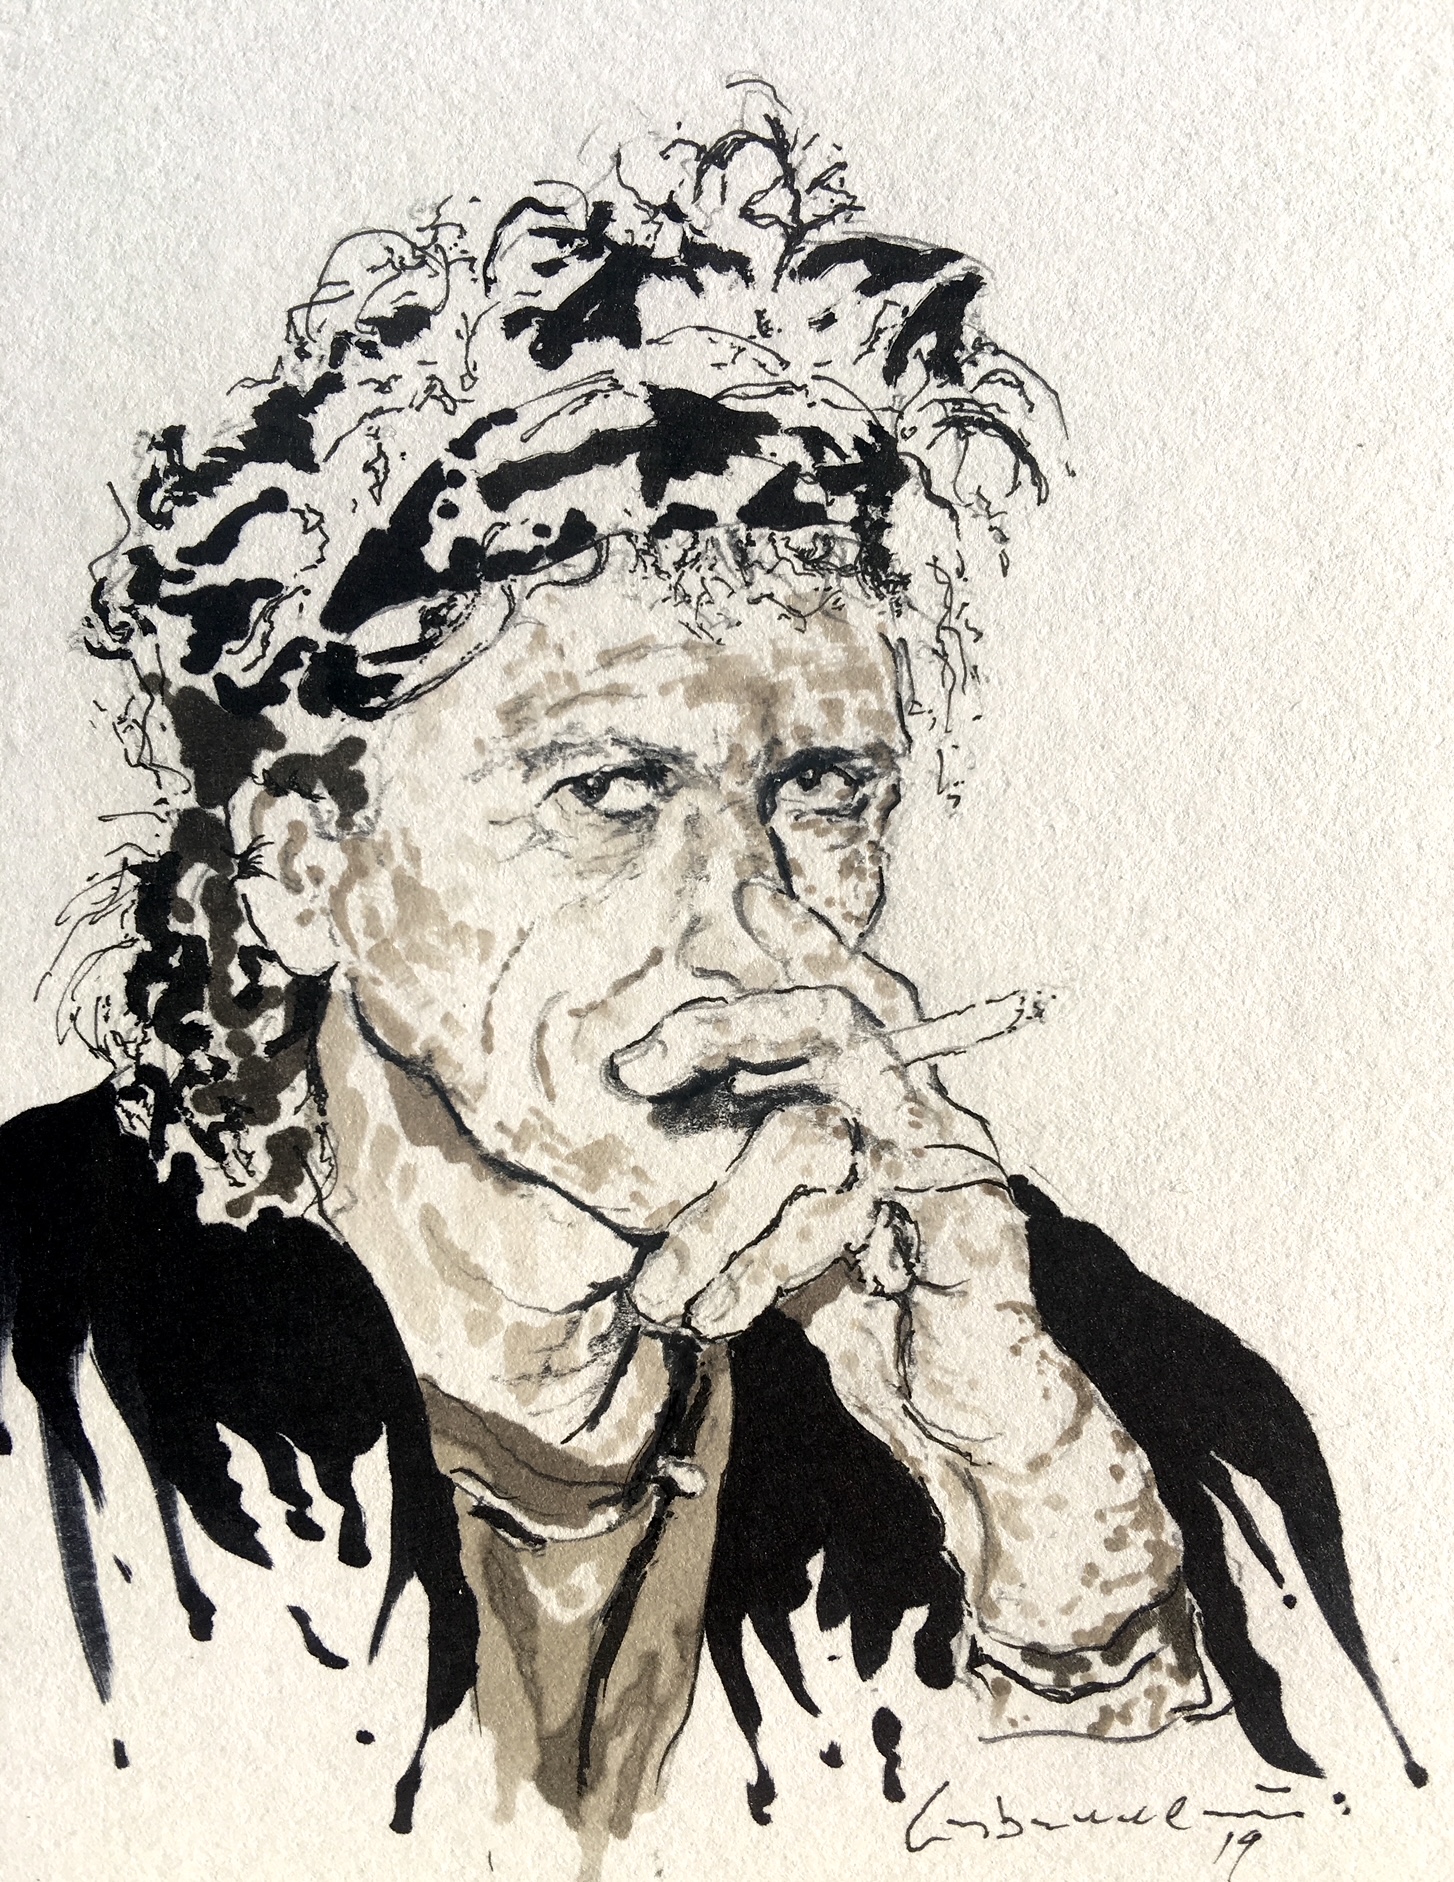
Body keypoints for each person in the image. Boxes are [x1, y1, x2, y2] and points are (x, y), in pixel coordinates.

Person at [0, 88, 1420, 1855]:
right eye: (608, 792)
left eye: (822, 792)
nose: (753, 924)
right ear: (304, 864)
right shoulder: (40, 1352)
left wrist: (1060, 1559)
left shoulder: (1120, 1390)